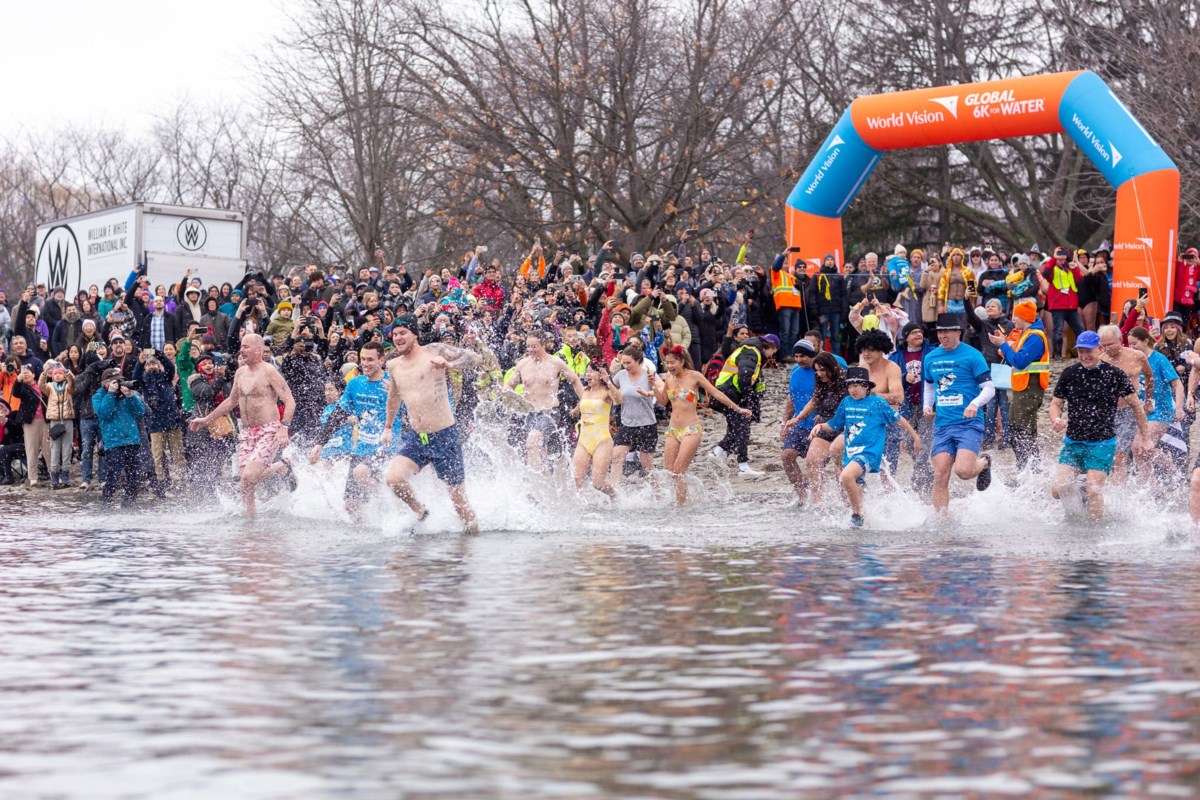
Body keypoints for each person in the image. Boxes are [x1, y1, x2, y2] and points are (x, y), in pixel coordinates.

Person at [380, 315, 483, 533]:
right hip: (418, 437)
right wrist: (388, 427)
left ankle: (472, 544)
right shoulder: (393, 364)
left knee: (459, 503)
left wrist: (449, 364)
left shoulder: (433, 350)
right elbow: (394, 397)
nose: (398, 338)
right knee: (394, 479)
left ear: (414, 334)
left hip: (445, 436)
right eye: (395, 334)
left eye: (402, 333)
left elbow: (475, 358)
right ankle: (420, 511)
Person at [188, 334, 298, 516]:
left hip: (268, 429)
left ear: (259, 350)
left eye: (246, 347)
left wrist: (283, 428)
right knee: (245, 483)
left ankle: (280, 467)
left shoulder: (269, 371)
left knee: (248, 476)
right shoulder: (240, 372)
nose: (241, 350)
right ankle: (250, 519)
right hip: (247, 432)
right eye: (241, 346)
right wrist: (205, 420)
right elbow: (231, 401)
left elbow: (290, 401)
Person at [1050, 331, 1147, 520]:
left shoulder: (1114, 374)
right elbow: (1055, 404)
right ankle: (1077, 507)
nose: (1085, 356)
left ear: (1100, 349)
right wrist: (1056, 419)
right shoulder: (1070, 374)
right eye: (1081, 352)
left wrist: (1146, 436)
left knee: (1094, 491)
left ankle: (1094, 533)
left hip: (1102, 443)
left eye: (1089, 351)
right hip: (1074, 442)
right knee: (1060, 489)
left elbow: (1136, 405)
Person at [809, 367, 921, 527]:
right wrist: (820, 426)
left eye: (857, 385)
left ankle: (857, 514)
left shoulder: (877, 402)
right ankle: (864, 526)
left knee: (846, 477)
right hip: (851, 454)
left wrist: (915, 436)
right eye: (850, 386)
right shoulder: (846, 402)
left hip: (869, 454)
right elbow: (834, 424)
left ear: (867, 387)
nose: (853, 390)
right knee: (855, 492)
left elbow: (898, 419)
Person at [313, 342, 401, 520]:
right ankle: (368, 536)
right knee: (351, 506)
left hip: (385, 448)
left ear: (381, 360)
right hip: (361, 448)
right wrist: (319, 444)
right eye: (363, 359)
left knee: (360, 472)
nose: (365, 364)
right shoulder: (355, 384)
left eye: (370, 359)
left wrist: (398, 394)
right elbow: (338, 414)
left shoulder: (393, 383)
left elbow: (414, 413)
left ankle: (390, 505)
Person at [653, 344, 749, 504]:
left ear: (682, 361)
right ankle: (685, 499)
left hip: (691, 430)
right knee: (669, 472)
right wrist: (654, 386)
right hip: (672, 431)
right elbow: (663, 401)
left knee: (678, 471)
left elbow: (716, 393)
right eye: (667, 363)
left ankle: (680, 509)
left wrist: (738, 409)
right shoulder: (669, 378)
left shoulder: (695, 376)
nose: (669, 366)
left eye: (672, 363)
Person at [924, 313, 996, 515]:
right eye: (939, 332)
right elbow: (929, 385)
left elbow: (989, 388)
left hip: (968, 423)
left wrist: (974, 403)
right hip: (943, 425)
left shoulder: (972, 355)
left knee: (963, 471)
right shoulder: (931, 358)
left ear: (958, 332)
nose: (942, 336)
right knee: (939, 475)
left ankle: (984, 462)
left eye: (946, 331)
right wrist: (927, 406)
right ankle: (942, 523)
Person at [505, 331, 585, 470]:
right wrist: (504, 395)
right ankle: (542, 482)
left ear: (543, 345)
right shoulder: (522, 364)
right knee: (534, 449)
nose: (530, 350)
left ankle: (538, 482)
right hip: (530, 413)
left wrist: (584, 401)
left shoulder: (555, 363)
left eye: (534, 346)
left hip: (550, 412)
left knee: (533, 439)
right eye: (528, 346)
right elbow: (510, 385)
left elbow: (574, 380)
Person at [781, 352, 847, 505]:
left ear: (832, 368)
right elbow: (814, 401)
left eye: (823, 370)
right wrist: (797, 418)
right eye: (817, 370)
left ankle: (848, 504)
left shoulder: (845, 382)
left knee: (840, 466)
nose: (819, 374)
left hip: (845, 429)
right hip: (824, 427)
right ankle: (817, 504)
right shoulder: (821, 382)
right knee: (812, 460)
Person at [992, 301, 1048, 471]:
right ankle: (1025, 469)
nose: (1013, 319)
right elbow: (1014, 355)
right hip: (1022, 390)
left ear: (1024, 317)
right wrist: (1004, 344)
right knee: (1016, 430)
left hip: (1030, 391)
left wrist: (1002, 344)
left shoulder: (1035, 337)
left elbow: (1020, 361)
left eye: (1016, 315)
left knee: (1024, 432)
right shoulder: (1027, 334)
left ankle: (1032, 470)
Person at [711, 334, 779, 474]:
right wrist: (749, 397)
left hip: (727, 391)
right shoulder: (752, 351)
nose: (772, 356)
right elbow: (744, 376)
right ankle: (742, 466)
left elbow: (750, 376)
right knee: (742, 429)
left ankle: (716, 453)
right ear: (771, 347)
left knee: (735, 428)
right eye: (774, 352)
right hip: (731, 392)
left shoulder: (751, 350)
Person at [1097, 324, 1154, 484]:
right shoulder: (1101, 361)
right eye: (1104, 345)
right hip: (1109, 413)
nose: (1108, 348)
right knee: (1110, 455)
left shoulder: (1137, 356)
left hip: (1130, 410)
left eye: (1111, 344)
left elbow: (1149, 378)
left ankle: (1118, 495)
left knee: (1120, 455)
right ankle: (1119, 484)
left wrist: (1148, 401)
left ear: (1120, 340)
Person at [1127, 326, 1183, 481]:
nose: (1131, 348)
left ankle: (1174, 473)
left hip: (1161, 410)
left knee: (1143, 446)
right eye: (1129, 344)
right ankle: (1150, 487)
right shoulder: (1132, 361)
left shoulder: (1159, 359)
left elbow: (1177, 384)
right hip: (1143, 412)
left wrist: (1178, 407)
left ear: (1146, 341)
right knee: (1136, 449)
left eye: (1134, 344)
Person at [886, 322, 934, 491]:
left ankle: (918, 480)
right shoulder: (896, 357)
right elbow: (888, 379)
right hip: (905, 406)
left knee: (923, 442)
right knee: (908, 443)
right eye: (913, 333)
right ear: (905, 337)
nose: (918, 335)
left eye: (920, 331)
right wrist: (904, 377)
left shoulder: (931, 352)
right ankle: (928, 475)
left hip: (926, 405)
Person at [93, 367, 148, 505]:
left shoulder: (126, 395)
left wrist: (130, 396)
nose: (118, 384)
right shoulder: (98, 396)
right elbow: (105, 413)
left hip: (132, 441)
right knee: (114, 476)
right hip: (114, 443)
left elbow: (140, 412)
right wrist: (110, 394)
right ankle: (106, 503)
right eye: (114, 382)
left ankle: (127, 503)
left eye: (119, 381)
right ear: (105, 383)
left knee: (135, 476)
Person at [607, 343, 659, 484]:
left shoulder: (648, 374)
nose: (626, 366)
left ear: (638, 361)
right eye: (623, 363)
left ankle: (658, 493)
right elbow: (611, 390)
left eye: (629, 363)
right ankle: (614, 492)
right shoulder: (622, 375)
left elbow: (662, 391)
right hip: (627, 423)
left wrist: (650, 392)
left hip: (647, 424)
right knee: (616, 457)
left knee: (646, 464)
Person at [571, 362, 619, 497]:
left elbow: (619, 400)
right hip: (584, 438)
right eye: (587, 372)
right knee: (576, 479)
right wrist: (575, 410)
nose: (588, 375)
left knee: (598, 482)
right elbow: (583, 404)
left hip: (602, 439)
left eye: (592, 371)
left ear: (601, 374)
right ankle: (580, 509)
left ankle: (614, 496)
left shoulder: (606, 391)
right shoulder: (585, 391)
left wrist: (609, 381)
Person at [780, 339, 818, 504]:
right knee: (787, 456)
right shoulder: (795, 371)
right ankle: (802, 494)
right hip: (799, 424)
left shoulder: (821, 371)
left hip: (819, 427)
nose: (798, 359)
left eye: (802, 356)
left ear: (811, 355)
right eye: (795, 356)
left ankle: (818, 496)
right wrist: (785, 421)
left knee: (814, 465)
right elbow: (791, 398)